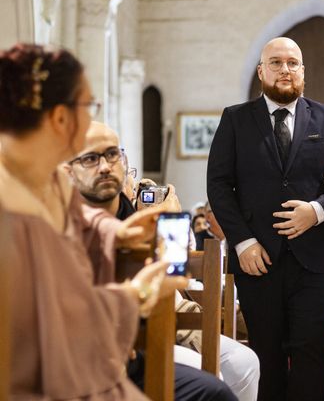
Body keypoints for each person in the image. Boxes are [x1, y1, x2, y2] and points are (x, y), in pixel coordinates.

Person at [0, 43, 185, 399]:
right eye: (89, 106)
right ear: (59, 118)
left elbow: (80, 216)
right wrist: (138, 294)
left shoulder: (47, 177)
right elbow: (55, 322)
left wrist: (118, 229)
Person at [207, 37, 324, 401]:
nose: (285, 70)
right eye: (276, 63)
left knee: (310, 354)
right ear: (261, 71)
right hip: (258, 260)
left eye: (293, 63)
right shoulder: (235, 119)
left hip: (315, 260)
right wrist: (242, 242)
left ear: (303, 71)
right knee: (266, 356)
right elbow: (218, 185)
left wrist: (317, 210)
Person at [68, 121, 256, 401]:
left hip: (152, 329)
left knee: (235, 371)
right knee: (212, 380)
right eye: (91, 158)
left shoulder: (134, 213)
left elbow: (173, 270)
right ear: (70, 170)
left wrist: (171, 222)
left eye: (112, 155)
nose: (105, 166)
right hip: (90, 351)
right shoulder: (66, 219)